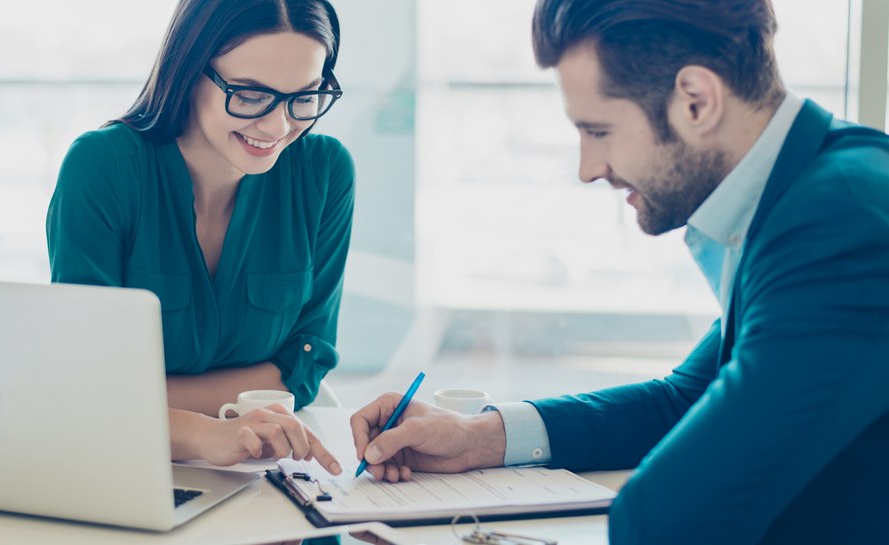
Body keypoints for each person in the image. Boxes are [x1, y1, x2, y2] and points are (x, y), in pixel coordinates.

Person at [351, 1, 889, 543]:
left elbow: (661, 519)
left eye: (599, 131)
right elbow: (686, 400)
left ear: (696, 101)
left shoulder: (841, 223)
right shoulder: (804, 193)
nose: (588, 170)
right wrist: (476, 438)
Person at [46, 0, 352, 474]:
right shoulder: (103, 168)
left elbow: (306, 363)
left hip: (261, 468)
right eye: (250, 96)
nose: (279, 126)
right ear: (189, 70)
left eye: (304, 97)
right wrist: (208, 435)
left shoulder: (324, 172)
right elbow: (82, 385)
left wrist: (139, 400)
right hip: (117, 468)